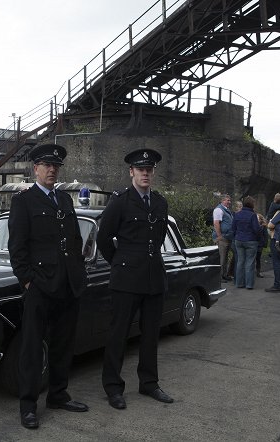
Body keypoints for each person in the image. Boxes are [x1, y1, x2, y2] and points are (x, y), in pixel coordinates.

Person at [7, 143, 88, 429]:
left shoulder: (65, 200)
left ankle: (58, 394)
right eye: (46, 165)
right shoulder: (24, 201)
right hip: (40, 287)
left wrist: (79, 272)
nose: (52, 170)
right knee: (31, 349)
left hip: (67, 284)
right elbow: (16, 248)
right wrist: (28, 281)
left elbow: (75, 240)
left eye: (56, 166)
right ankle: (28, 406)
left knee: (63, 345)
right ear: (36, 169)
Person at [97, 148, 174, 410]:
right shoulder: (120, 201)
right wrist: (121, 263)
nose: (145, 173)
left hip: (153, 278)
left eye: (149, 170)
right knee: (118, 334)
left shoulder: (161, 202)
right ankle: (113, 387)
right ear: (131, 172)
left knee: (151, 334)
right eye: (140, 169)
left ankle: (149, 383)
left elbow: (159, 237)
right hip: (127, 279)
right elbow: (104, 239)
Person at [233, 196, 260, 289]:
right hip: (251, 241)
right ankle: (249, 284)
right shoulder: (252, 215)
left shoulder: (237, 214)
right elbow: (256, 229)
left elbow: (233, 228)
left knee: (240, 262)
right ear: (251, 204)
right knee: (250, 262)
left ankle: (239, 283)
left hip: (238, 240)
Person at [212, 194, 234, 282]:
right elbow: (216, 223)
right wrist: (219, 236)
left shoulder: (226, 210)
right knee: (221, 258)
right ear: (222, 201)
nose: (229, 202)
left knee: (225, 257)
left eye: (229, 200)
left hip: (227, 237)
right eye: (227, 200)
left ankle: (224, 275)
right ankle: (220, 277)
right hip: (222, 238)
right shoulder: (218, 210)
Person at [255, 213, 268, 278]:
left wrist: (265, 244)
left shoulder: (263, 226)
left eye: (258, 218)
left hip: (260, 244)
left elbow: (265, 236)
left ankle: (258, 271)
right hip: (254, 243)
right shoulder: (253, 225)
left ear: (260, 219)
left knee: (258, 258)